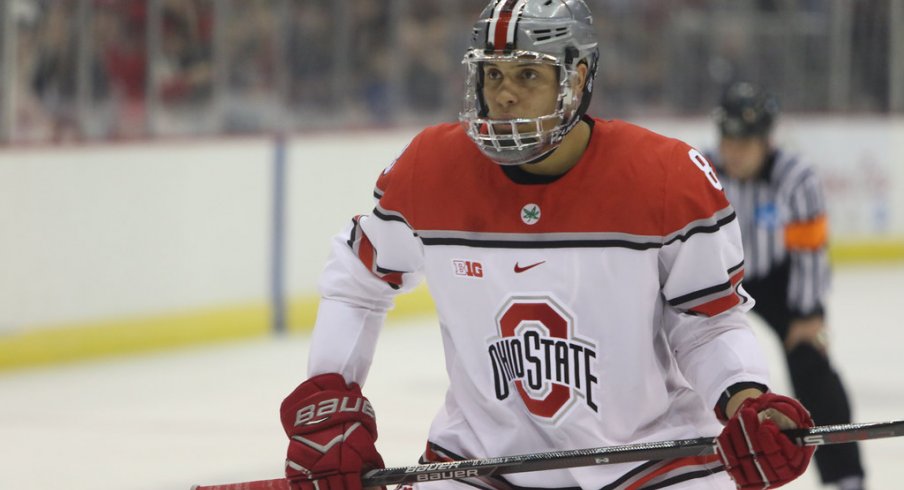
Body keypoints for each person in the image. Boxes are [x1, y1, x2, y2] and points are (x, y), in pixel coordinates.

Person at [279, 2, 816, 489]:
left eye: (527, 74)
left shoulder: (666, 178)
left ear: (576, 79)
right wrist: (329, 402)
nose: (503, 93)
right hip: (478, 463)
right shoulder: (429, 169)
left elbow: (708, 322)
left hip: (649, 458)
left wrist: (746, 399)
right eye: (492, 74)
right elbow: (357, 280)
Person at [707, 81, 866, 490]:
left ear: (766, 140)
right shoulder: (701, 170)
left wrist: (808, 314)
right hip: (716, 277)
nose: (735, 151)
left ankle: (844, 475)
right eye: (728, 140)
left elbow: (810, 252)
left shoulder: (796, 177)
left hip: (777, 280)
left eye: (746, 141)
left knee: (811, 363)